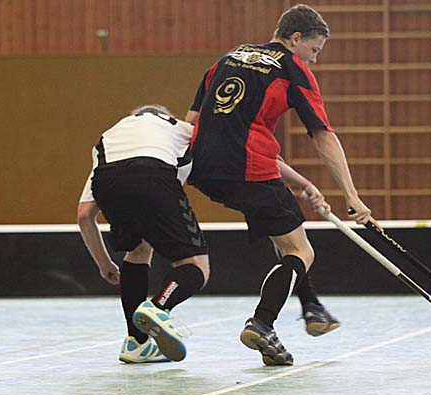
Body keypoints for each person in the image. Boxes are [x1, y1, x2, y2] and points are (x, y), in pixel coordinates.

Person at [185, 4, 381, 366]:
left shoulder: (229, 57)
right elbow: (322, 135)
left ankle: (312, 308)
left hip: (202, 168)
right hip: (249, 168)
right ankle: (262, 323)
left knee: (285, 238)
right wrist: (352, 197)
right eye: (314, 50)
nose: (314, 60)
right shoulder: (293, 69)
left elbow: (192, 119)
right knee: (301, 251)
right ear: (295, 38)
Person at [77, 104, 208, 363]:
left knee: (138, 249)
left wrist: (105, 264)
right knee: (195, 266)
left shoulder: (109, 137)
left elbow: (84, 215)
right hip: (153, 174)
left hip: (108, 181)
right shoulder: (180, 128)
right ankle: (158, 307)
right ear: (165, 115)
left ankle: (136, 343)